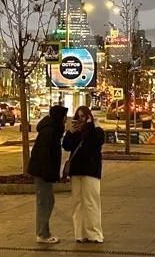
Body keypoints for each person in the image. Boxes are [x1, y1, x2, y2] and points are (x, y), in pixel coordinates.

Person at [63, 105, 105, 243]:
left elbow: (95, 143)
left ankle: (95, 234)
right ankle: (79, 233)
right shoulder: (76, 132)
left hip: (91, 171)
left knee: (91, 202)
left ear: (89, 117)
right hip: (76, 171)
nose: (80, 119)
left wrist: (89, 127)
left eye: (83, 116)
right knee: (77, 203)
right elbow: (66, 146)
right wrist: (70, 132)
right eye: (78, 117)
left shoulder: (96, 130)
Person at [27, 104, 67, 243]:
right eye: (64, 117)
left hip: (42, 172)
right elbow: (44, 155)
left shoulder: (51, 129)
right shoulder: (49, 131)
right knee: (46, 202)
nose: (65, 121)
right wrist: (49, 174)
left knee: (46, 201)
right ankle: (42, 234)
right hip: (42, 173)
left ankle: (44, 232)